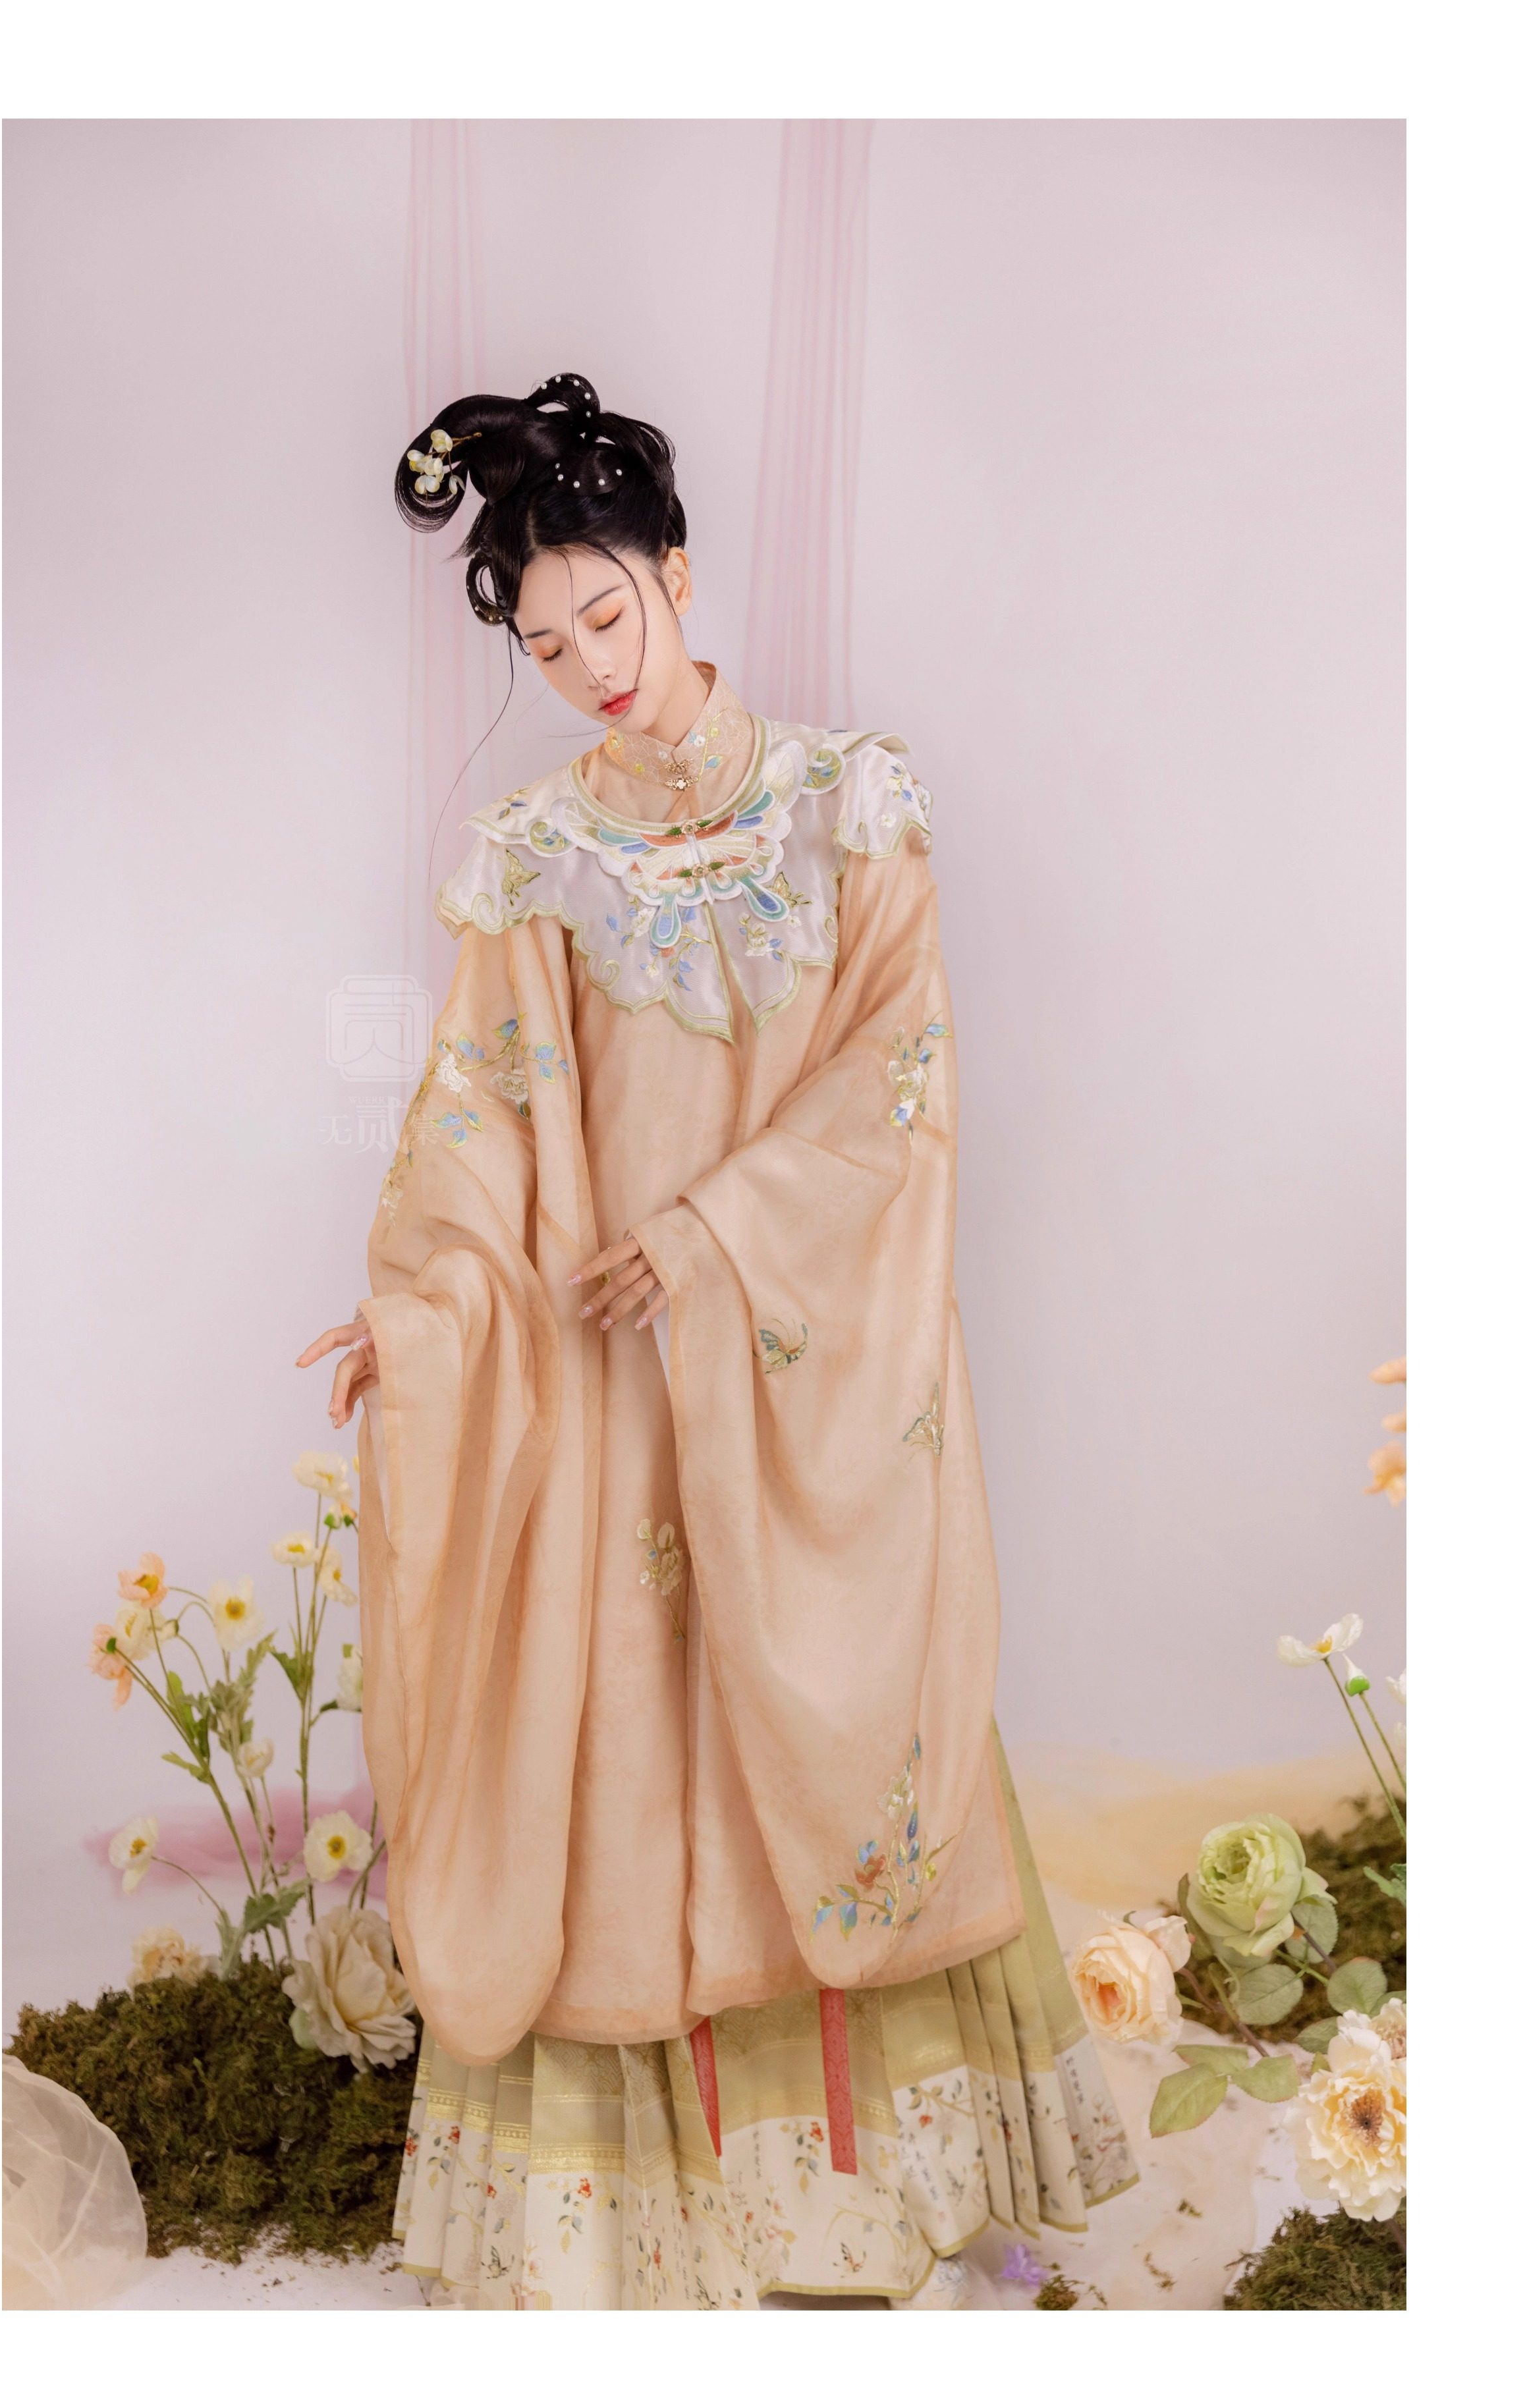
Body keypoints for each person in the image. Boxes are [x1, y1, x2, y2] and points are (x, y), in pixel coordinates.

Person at [298, 373, 1134, 2309]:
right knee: (627, 1737)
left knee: (828, 1729)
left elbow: (899, 1078)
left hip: (787, 1364)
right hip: (604, 1388)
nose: (590, 668)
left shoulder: (848, 803)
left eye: (608, 615)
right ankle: (661, 2208)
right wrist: (428, 1309)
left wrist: (706, 1237)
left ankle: (861, 2186)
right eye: (545, 645)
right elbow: (479, 1120)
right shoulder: (533, 858)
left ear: (676, 573)